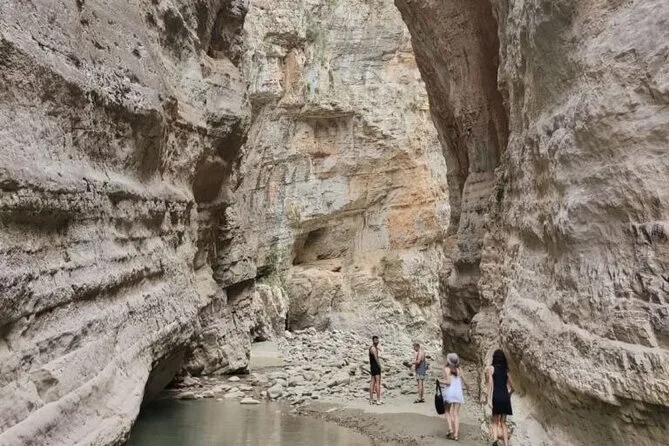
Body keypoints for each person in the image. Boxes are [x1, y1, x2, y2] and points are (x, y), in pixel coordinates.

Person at [487, 349, 514, 446]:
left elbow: (490, 383)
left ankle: (495, 440)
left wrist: (488, 398)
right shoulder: (506, 371)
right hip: (505, 397)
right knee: (503, 422)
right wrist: (509, 394)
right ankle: (506, 444)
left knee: (494, 421)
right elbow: (512, 387)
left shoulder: (491, 368)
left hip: (496, 396)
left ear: (494, 358)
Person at [442, 352, 464, 441]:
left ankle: (450, 428)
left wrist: (439, 381)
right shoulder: (459, 369)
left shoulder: (446, 369)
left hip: (449, 392)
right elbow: (463, 380)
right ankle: (456, 435)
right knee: (456, 414)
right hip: (458, 392)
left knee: (447, 410)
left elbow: (448, 382)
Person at [369, 335, 383, 405]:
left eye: (377, 340)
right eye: (375, 340)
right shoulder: (373, 349)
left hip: (372, 367)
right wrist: (379, 366)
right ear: (373, 341)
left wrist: (378, 349)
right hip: (376, 367)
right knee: (377, 383)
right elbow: (376, 358)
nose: (377, 341)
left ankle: (371, 399)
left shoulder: (372, 348)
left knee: (372, 382)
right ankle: (378, 399)